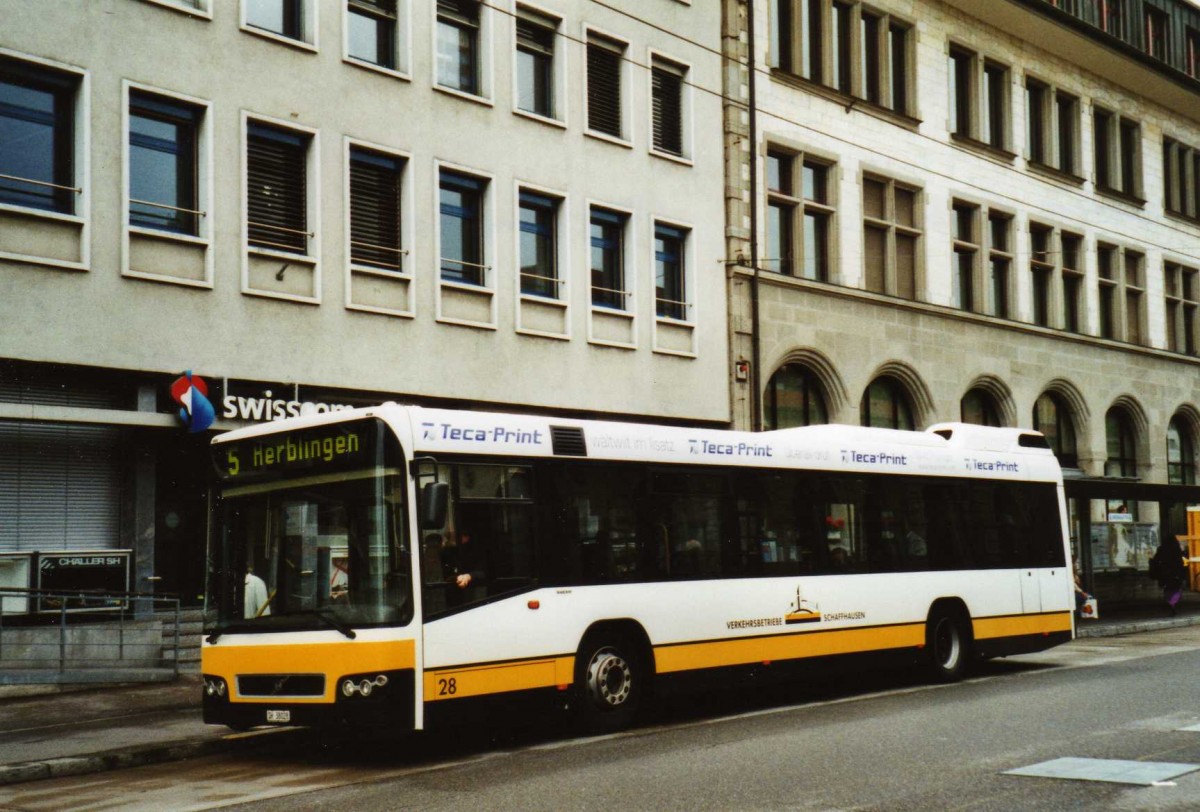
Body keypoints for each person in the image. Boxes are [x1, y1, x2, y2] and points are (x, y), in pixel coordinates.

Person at [1149, 536, 1188, 616]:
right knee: (1175, 589)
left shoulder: (1161, 549)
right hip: (1175, 574)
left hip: (1165, 574)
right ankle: (1173, 604)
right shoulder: (1176, 549)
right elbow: (1181, 561)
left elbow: (1156, 560)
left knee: (1168, 589)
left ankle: (1170, 603)